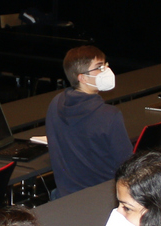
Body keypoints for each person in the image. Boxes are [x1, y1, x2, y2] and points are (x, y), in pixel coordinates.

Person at [46, 45, 134, 200]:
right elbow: (127, 166)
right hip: (102, 198)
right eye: (99, 68)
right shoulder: (109, 115)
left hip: (64, 197)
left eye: (106, 65)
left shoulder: (56, 103)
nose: (106, 71)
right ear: (82, 78)